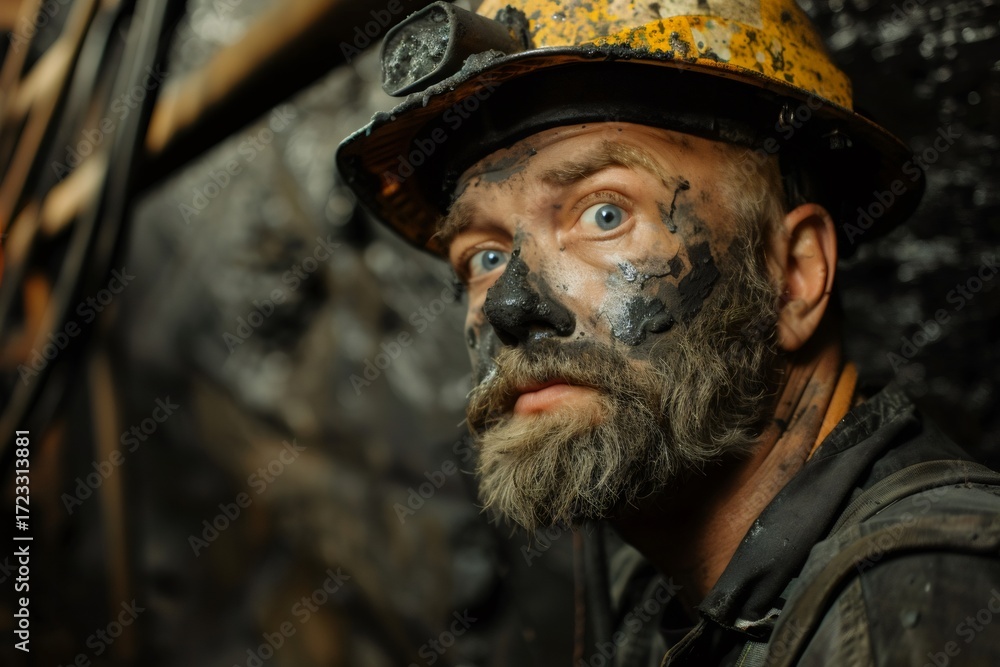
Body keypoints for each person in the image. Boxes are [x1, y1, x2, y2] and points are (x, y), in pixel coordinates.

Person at [337, 1, 1000, 665]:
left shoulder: (914, 609)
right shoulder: (665, 606)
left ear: (795, 272)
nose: (510, 303)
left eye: (603, 213)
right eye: (482, 257)